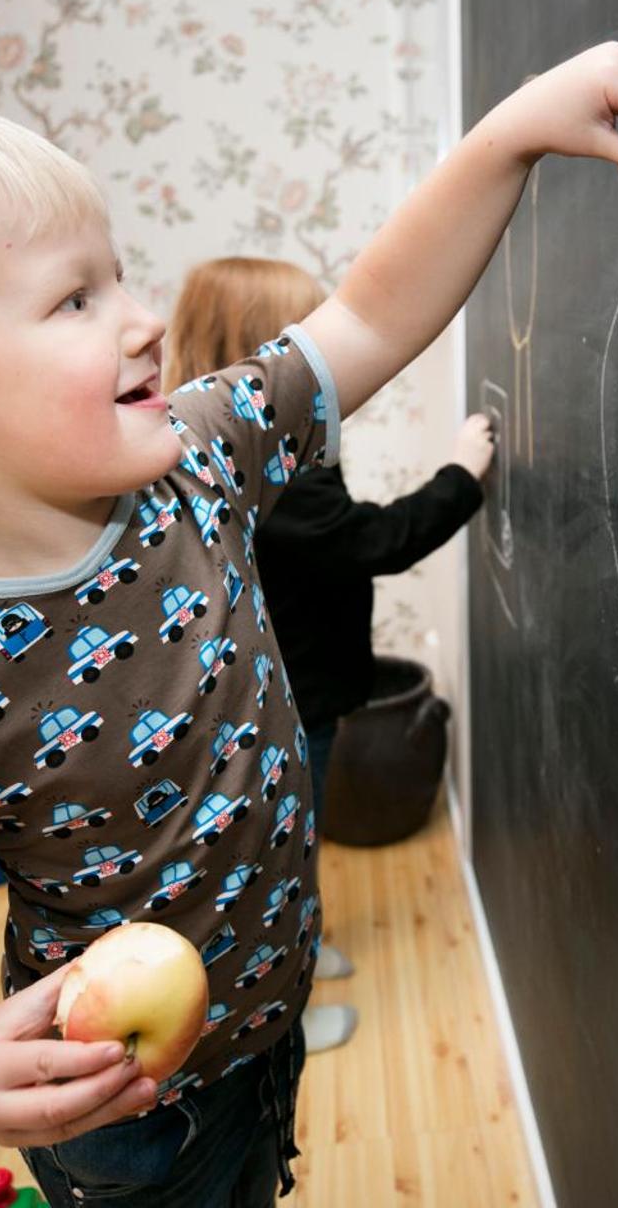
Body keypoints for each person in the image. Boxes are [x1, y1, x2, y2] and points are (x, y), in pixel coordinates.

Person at [0, 41, 618, 1206]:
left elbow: (366, 315)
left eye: (118, 276)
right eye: (74, 297)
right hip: (127, 1116)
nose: (145, 319)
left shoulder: (199, 460)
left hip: (268, 1019)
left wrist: (512, 129)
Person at [166, 257, 494, 1055]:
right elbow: (372, 541)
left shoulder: (235, 456)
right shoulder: (268, 476)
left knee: (287, 848)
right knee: (275, 858)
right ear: (260, 357)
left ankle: (298, 955)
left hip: (280, 692)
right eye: (306, 345)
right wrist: (461, 474)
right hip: (285, 703)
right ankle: (279, 1017)